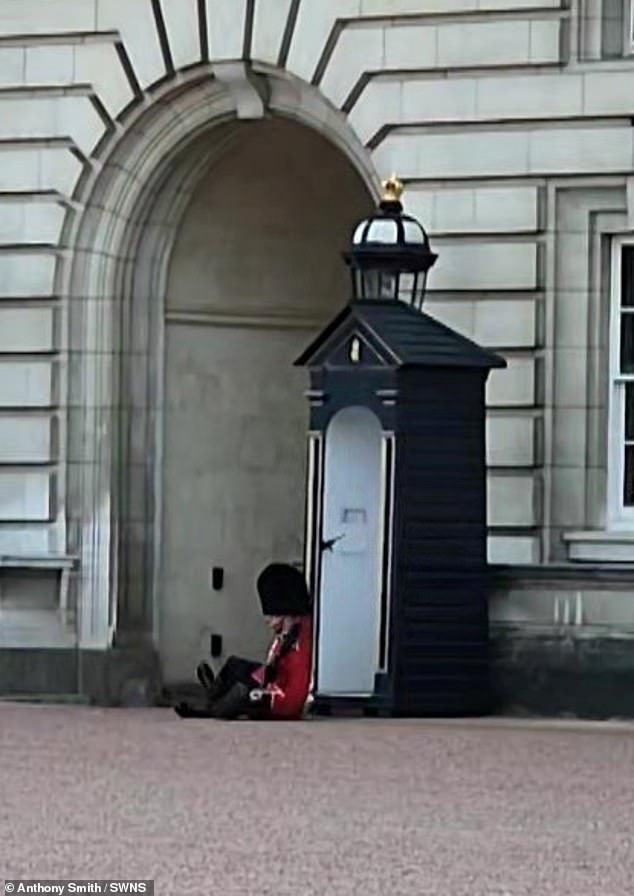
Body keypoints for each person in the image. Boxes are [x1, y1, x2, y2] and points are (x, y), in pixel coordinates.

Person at [173, 563, 313, 721]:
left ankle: (215, 705)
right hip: (273, 685)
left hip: (280, 700)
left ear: (289, 612)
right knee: (236, 666)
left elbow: (294, 693)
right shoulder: (289, 633)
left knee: (242, 692)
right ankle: (214, 697)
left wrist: (261, 692)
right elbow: (273, 667)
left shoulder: (302, 642)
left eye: (273, 615)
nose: (269, 621)